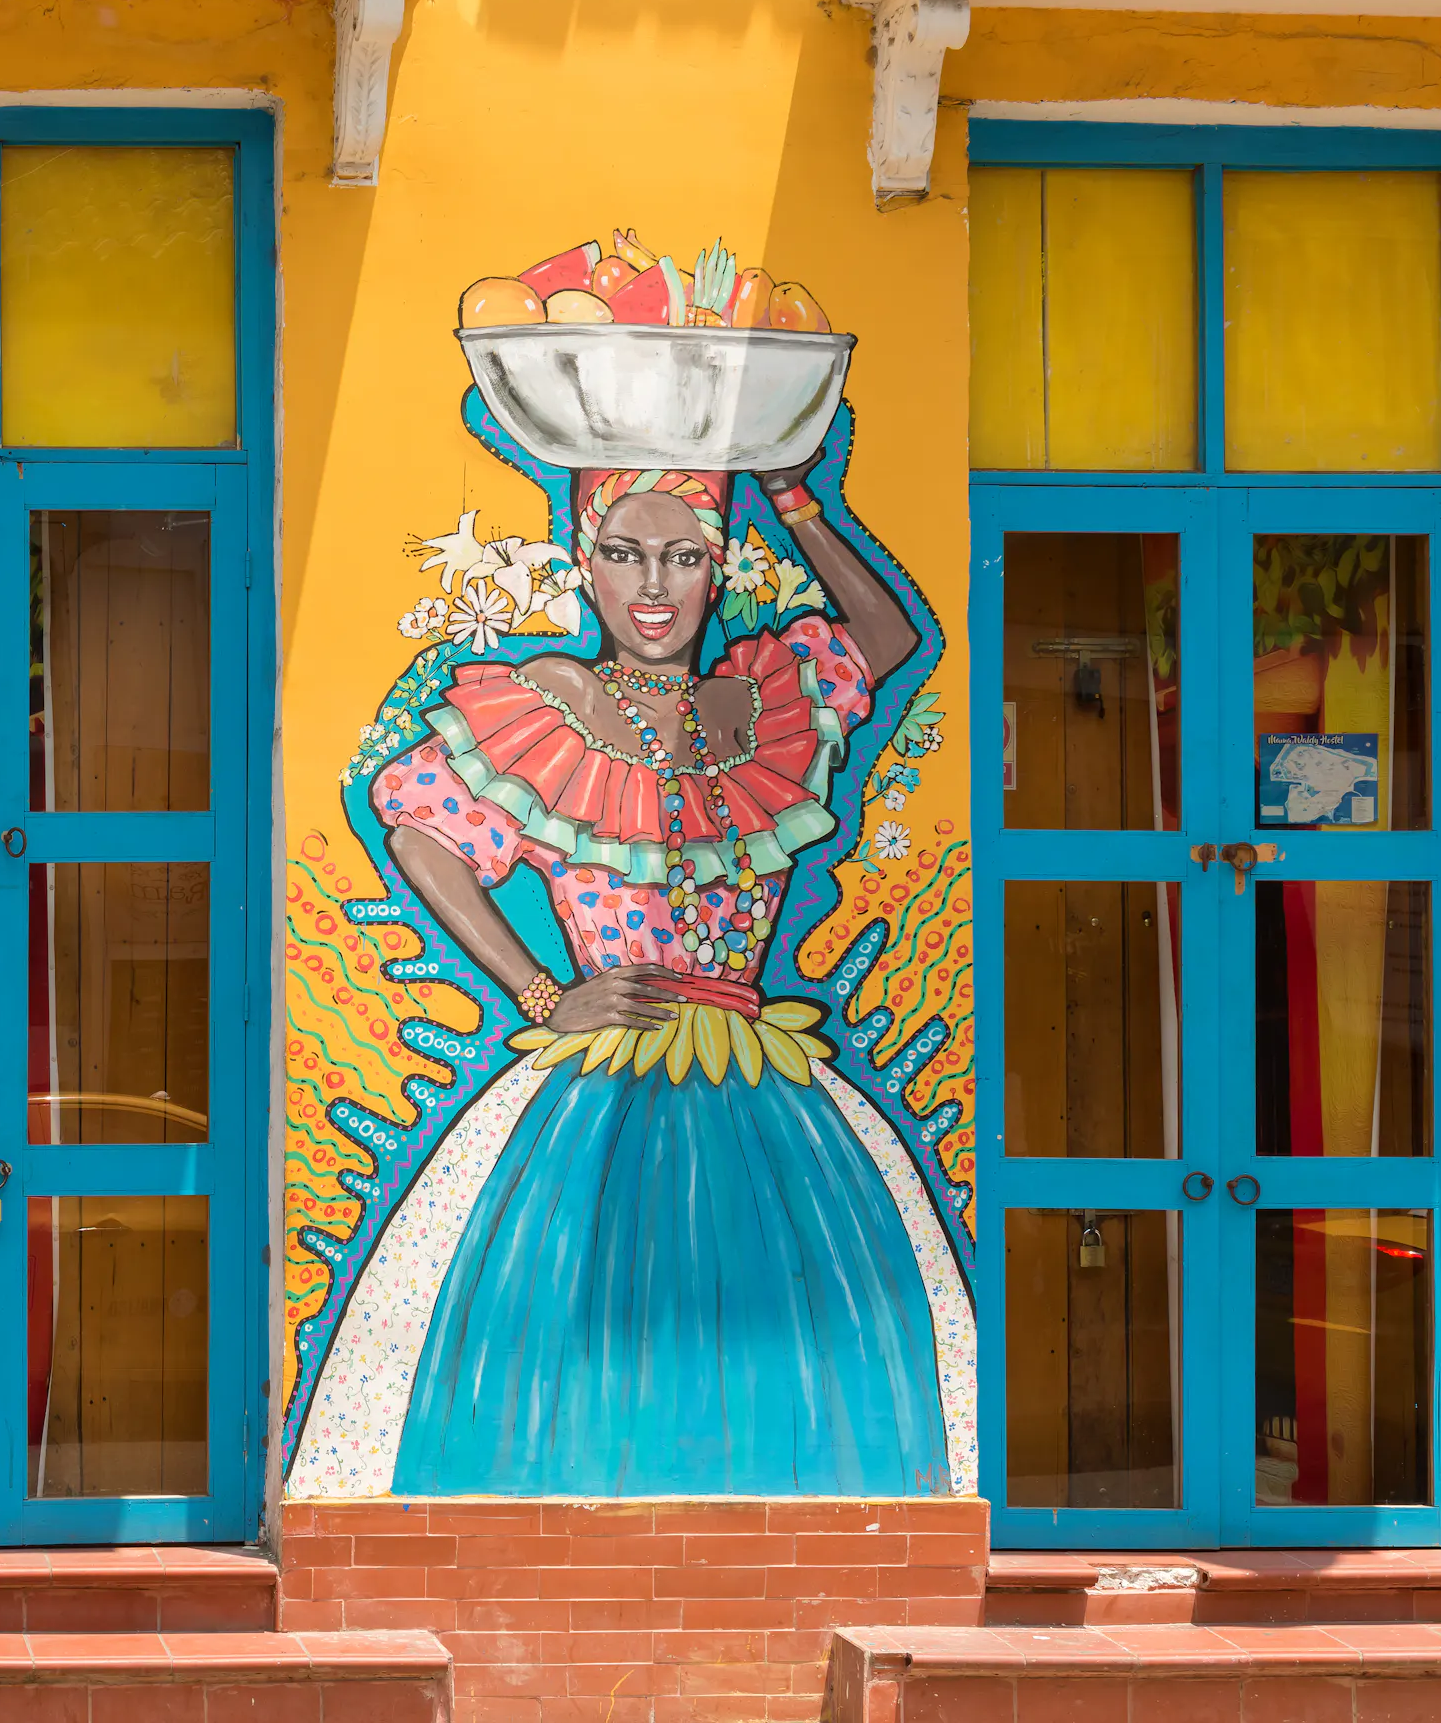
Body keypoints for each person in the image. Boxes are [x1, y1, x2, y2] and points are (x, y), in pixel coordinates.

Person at [286, 453, 976, 1498]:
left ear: (719, 569)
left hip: (765, 1086)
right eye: (624, 553)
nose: (654, 585)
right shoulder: (553, 701)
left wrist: (796, 498)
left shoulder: (757, 698)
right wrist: (539, 994)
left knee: (802, 1350)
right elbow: (421, 832)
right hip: (604, 1096)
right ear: (584, 561)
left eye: (684, 557)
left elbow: (888, 638)